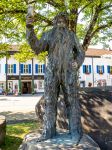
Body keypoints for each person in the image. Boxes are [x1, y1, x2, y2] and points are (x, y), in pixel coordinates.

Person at [26, 12, 85, 144]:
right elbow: (36, 47)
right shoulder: (48, 35)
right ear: (54, 22)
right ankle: (48, 132)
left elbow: (81, 52)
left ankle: (75, 132)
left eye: (63, 22)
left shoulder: (72, 36)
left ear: (67, 23)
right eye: (58, 21)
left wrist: (78, 62)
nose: (61, 24)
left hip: (69, 72)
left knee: (73, 102)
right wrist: (30, 29)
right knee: (49, 102)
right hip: (51, 73)